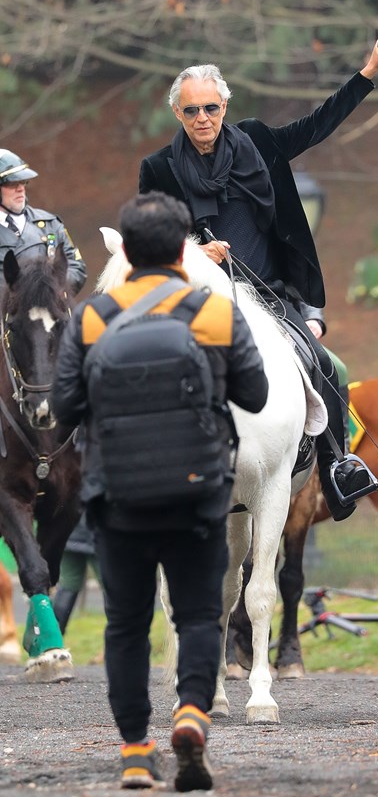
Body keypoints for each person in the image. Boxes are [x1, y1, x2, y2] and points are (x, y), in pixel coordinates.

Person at [52, 191, 269, 792]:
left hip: (116, 496)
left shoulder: (92, 318)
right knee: (200, 613)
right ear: (181, 250)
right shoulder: (215, 312)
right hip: (198, 492)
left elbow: (65, 408)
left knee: (126, 625)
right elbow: (253, 397)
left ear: (125, 250)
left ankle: (133, 751)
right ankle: (193, 714)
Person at [137, 44, 378, 521]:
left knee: (329, 366)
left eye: (210, 108)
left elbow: (317, 125)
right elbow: (147, 242)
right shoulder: (158, 169)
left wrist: (367, 74)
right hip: (197, 301)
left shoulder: (256, 141)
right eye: (191, 110)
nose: (202, 118)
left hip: (271, 297)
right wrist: (191, 250)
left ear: (224, 106)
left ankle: (338, 467)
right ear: (177, 111)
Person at [0, 148, 86, 294]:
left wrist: (51, 287)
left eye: (23, 182)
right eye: (12, 183)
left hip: (52, 311)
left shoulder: (49, 224)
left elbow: (76, 268)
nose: (20, 188)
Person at [52, 512, 101, 636]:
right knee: (113, 588)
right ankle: (118, 649)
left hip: (68, 529)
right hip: (99, 531)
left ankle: (52, 644)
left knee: (68, 585)